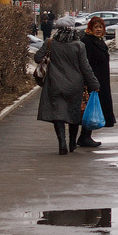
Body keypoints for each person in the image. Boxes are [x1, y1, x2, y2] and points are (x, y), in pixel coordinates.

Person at [34, 16, 100, 154]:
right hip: (75, 85)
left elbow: (37, 58)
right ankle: (72, 143)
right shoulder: (79, 45)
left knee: (58, 113)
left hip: (54, 83)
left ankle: (62, 143)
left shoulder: (50, 42)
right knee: (73, 113)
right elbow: (85, 67)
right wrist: (94, 83)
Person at [77, 15, 115, 148]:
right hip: (93, 80)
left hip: (100, 79)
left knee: (93, 107)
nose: (98, 30)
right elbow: (85, 63)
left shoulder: (98, 40)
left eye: (100, 27)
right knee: (89, 108)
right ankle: (84, 136)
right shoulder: (87, 41)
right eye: (96, 27)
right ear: (90, 28)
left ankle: (85, 136)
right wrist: (88, 81)